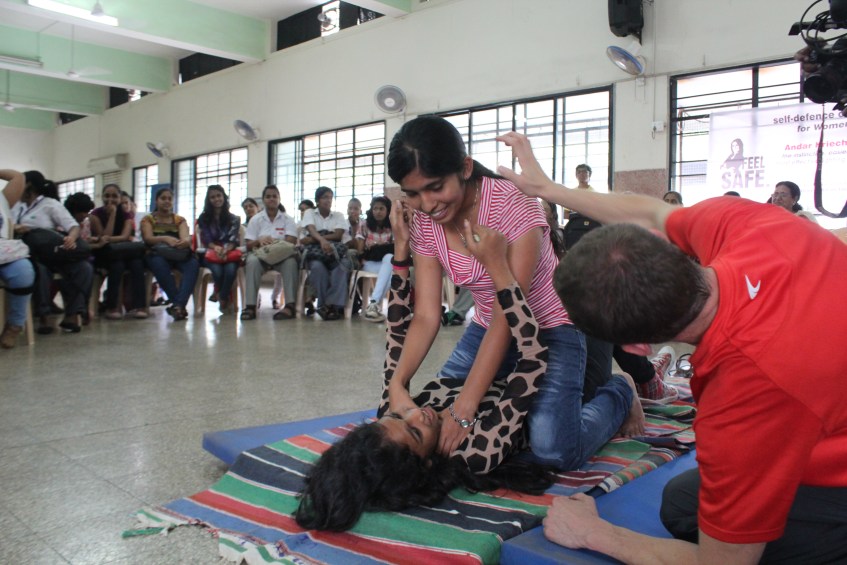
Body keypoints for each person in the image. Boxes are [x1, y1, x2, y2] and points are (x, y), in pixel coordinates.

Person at [497, 130, 847, 564]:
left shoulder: (739, 404)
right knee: (684, 500)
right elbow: (651, 211)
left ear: (637, 344)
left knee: (690, 516)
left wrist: (598, 534)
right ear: (668, 245)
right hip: (823, 399)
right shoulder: (751, 225)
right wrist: (549, 190)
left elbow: (723, 564)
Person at [385, 115, 636, 469]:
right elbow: (427, 314)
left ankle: (621, 391)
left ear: (465, 168)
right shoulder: (426, 221)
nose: (427, 204)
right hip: (486, 327)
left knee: (552, 449)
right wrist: (397, 384)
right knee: (435, 418)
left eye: (436, 187)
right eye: (413, 193)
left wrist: (466, 407)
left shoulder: (513, 204)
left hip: (551, 327)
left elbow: (509, 313)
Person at [296, 223, 554, 532]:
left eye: (399, 416)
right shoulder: (477, 451)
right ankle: (610, 397)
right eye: (416, 432)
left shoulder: (392, 417)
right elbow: (533, 357)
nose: (417, 413)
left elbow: (396, 335)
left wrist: (401, 250)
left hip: (482, 353)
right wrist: (500, 269)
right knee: (558, 446)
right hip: (530, 335)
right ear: (426, 465)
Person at [13, 171, 92, 334]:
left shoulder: (50, 204)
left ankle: (72, 315)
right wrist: (15, 228)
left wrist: (71, 238)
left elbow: (73, 226)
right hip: (31, 254)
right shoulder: (15, 206)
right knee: (39, 270)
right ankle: (44, 315)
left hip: (53, 252)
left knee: (84, 268)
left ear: (29, 187)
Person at [89, 184, 147, 320]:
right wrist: (113, 215)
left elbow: (125, 236)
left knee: (137, 263)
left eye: (114, 196)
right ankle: (112, 307)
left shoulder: (127, 215)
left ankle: (140, 306)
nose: (110, 199)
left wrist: (108, 239)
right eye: (107, 196)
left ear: (120, 198)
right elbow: (104, 236)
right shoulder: (95, 215)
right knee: (117, 265)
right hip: (104, 253)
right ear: (102, 197)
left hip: (124, 251)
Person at [140, 187, 199, 321]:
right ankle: (179, 305)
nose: (167, 201)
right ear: (156, 200)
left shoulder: (179, 220)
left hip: (177, 254)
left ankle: (177, 306)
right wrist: (165, 238)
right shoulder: (148, 220)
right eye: (163, 198)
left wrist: (185, 241)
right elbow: (148, 238)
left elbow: (185, 238)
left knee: (193, 264)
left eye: (170, 199)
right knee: (159, 264)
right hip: (156, 254)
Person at [242, 185, 299, 321]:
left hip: (282, 256)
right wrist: (259, 240)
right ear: (263, 200)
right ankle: (250, 306)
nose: (271, 199)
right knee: (252, 261)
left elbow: (291, 241)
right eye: (268, 196)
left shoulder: (288, 219)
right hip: (261, 255)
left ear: (279, 199)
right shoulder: (255, 219)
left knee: (291, 262)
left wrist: (273, 244)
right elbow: (248, 245)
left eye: (274, 196)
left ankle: (290, 307)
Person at [300, 186, 350, 321]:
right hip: (316, 254)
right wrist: (322, 240)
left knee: (343, 265)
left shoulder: (338, 215)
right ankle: (326, 306)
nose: (328, 200)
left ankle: (329, 306)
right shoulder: (310, 213)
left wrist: (315, 239)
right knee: (317, 268)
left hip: (333, 252)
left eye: (330, 198)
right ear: (317, 200)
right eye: (324, 197)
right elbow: (311, 229)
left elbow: (338, 235)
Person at [0, 169, 35, 349]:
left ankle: (14, 326)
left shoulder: (3, 198)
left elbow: (18, 177)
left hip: (4, 251)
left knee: (24, 272)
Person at [196, 185, 241, 314]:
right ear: (208, 200)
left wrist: (225, 250)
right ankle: (224, 298)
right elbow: (206, 238)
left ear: (224, 197)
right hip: (211, 252)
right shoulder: (204, 218)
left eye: (219, 195)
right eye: (212, 197)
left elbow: (233, 239)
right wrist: (216, 248)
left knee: (230, 271)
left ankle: (221, 295)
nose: (216, 199)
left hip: (229, 252)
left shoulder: (234, 219)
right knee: (218, 271)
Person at [356, 196, 394, 323]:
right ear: (371, 210)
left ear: (387, 210)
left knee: (389, 258)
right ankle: (374, 305)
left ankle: (373, 304)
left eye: (381, 209)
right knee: (392, 271)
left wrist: (380, 247)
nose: (378, 211)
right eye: (375, 208)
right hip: (369, 263)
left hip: (386, 263)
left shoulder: (393, 225)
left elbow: (397, 247)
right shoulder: (364, 224)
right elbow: (360, 249)